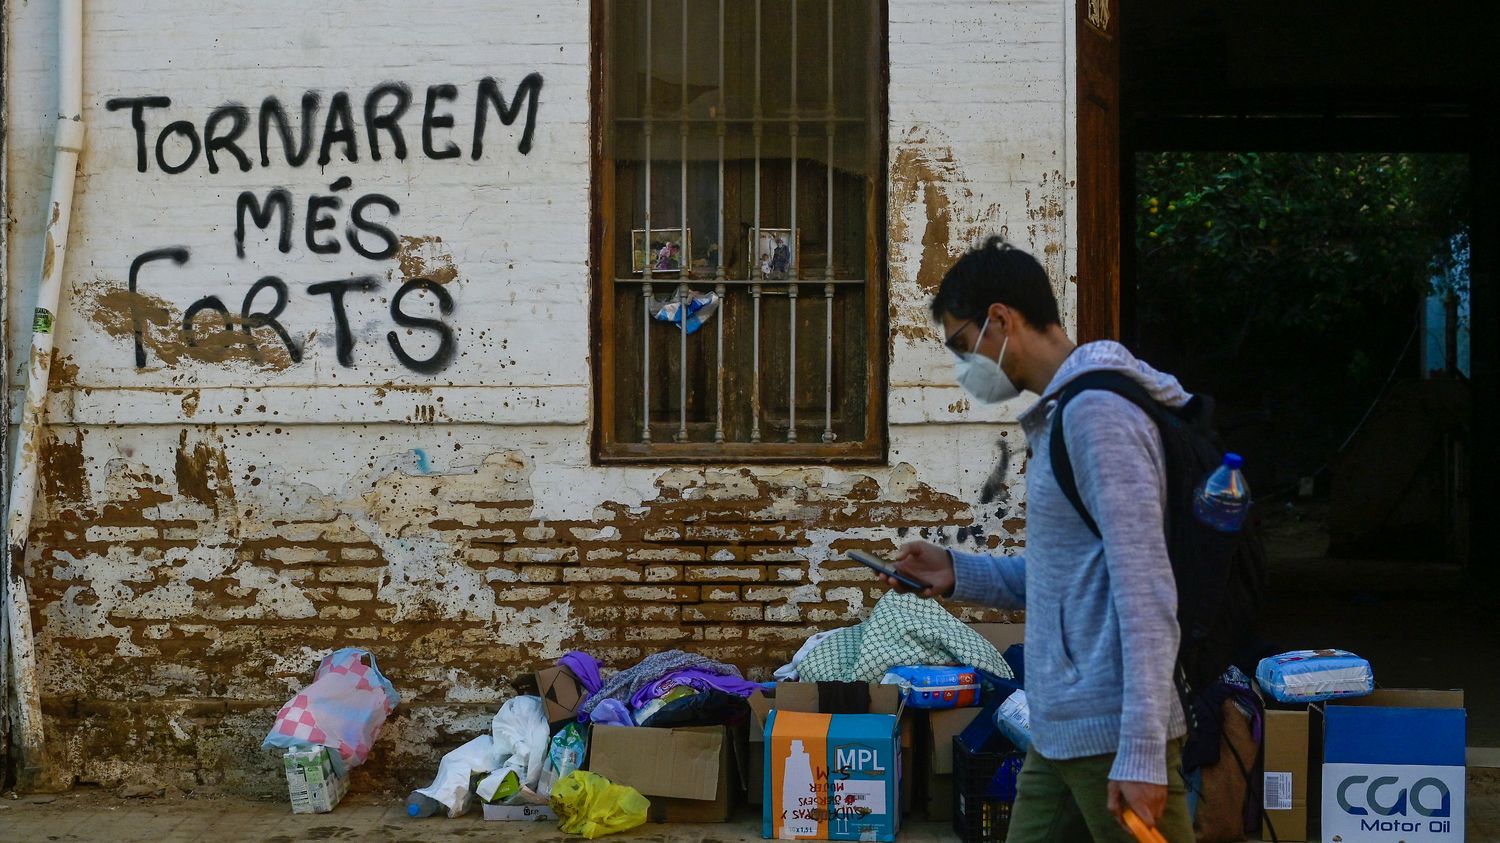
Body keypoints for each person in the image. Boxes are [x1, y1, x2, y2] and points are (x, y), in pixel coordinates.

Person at [881, 237, 1195, 842]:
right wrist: (955, 571)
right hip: (1059, 729)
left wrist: (1141, 752)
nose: (962, 366)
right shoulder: (1064, 414)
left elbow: (1147, 591)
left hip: (1111, 736)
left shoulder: (1098, 415)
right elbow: (1068, 576)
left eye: (961, 345)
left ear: (1001, 318)